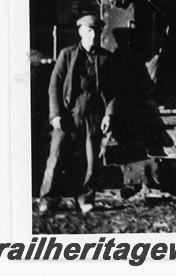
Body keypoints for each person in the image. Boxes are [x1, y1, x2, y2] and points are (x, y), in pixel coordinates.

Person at [38, 15, 117, 214]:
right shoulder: (67, 54)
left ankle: (85, 198)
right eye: (90, 31)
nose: (94, 35)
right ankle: (49, 199)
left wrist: (109, 115)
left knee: (91, 160)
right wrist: (55, 115)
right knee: (56, 157)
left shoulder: (106, 59)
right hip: (68, 114)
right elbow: (54, 86)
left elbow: (113, 91)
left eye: (97, 31)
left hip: (93, 115)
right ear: (81, 32)